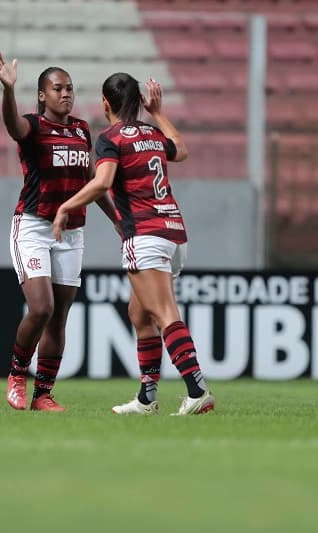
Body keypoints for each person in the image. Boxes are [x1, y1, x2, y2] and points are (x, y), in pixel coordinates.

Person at [52, 73, 214, 416]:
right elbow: (181, 149)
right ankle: (146, 398)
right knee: (139, 314)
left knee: (163, 313)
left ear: (105, 103)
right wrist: (157, 112)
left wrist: (67, 206)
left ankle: (197, 389)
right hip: (173, 233)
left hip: (146, 235)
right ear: (140, 102)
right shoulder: (153, 134)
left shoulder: (110, 138)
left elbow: (103, 182)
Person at [0, 51, 118, 412]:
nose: (66, 94)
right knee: (42, 307)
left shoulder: (80, 129)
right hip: (33, 226)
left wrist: (115, 218)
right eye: (57, 88)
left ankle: (43, 394)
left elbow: (93, 180)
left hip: (72, 231)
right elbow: (12, 125)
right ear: (42, 96)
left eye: (70, 88)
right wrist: (7, 91)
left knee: (59, 315)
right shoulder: (33, 127)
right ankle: (17, 374)